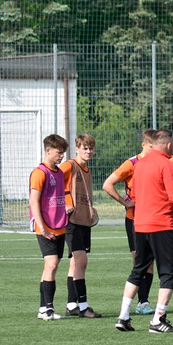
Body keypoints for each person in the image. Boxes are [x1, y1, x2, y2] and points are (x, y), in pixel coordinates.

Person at [115, 129, 173, 333]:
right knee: (171, 270)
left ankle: (123, 316)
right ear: (167, 145)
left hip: (140, 224)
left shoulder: (139, 165)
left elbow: (136, 195)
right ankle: (158, 319)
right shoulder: (166, 163)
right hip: (161, 225)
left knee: (138, 269)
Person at [103, 130, 157, 314]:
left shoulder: (159, 163)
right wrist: (125, 202)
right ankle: (132, 303)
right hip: (134, 220)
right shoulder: (132, 163)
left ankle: (144, 302)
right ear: (144, 145)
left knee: (150, 261)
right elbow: (108, 184)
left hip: (153, 219)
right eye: (151, 147)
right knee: (139, 261)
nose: (154, 151)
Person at [29, 134, 69, 320]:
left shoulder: (59, 173)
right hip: (46, 227)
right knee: (51, 264)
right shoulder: (39, 172)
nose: (61, 156)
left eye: (63, 153)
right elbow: (34, 201)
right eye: (59, 153)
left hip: (59, 225)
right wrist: (41, 226)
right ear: (48, 150)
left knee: (51, 267)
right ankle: (48, 308)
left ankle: (43, 308)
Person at [63, 134, 102, 318]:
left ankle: (71, 305)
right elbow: (51, 182)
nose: (88, 151)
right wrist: (63, 203)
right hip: (72, 222)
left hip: (83, 220)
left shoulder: (86, 169)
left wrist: (90, 209)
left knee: (74, 264)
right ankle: (84, 306)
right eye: (85, 148)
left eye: (91, 148)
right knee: (81, 261)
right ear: (77, 149)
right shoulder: (69, 165)